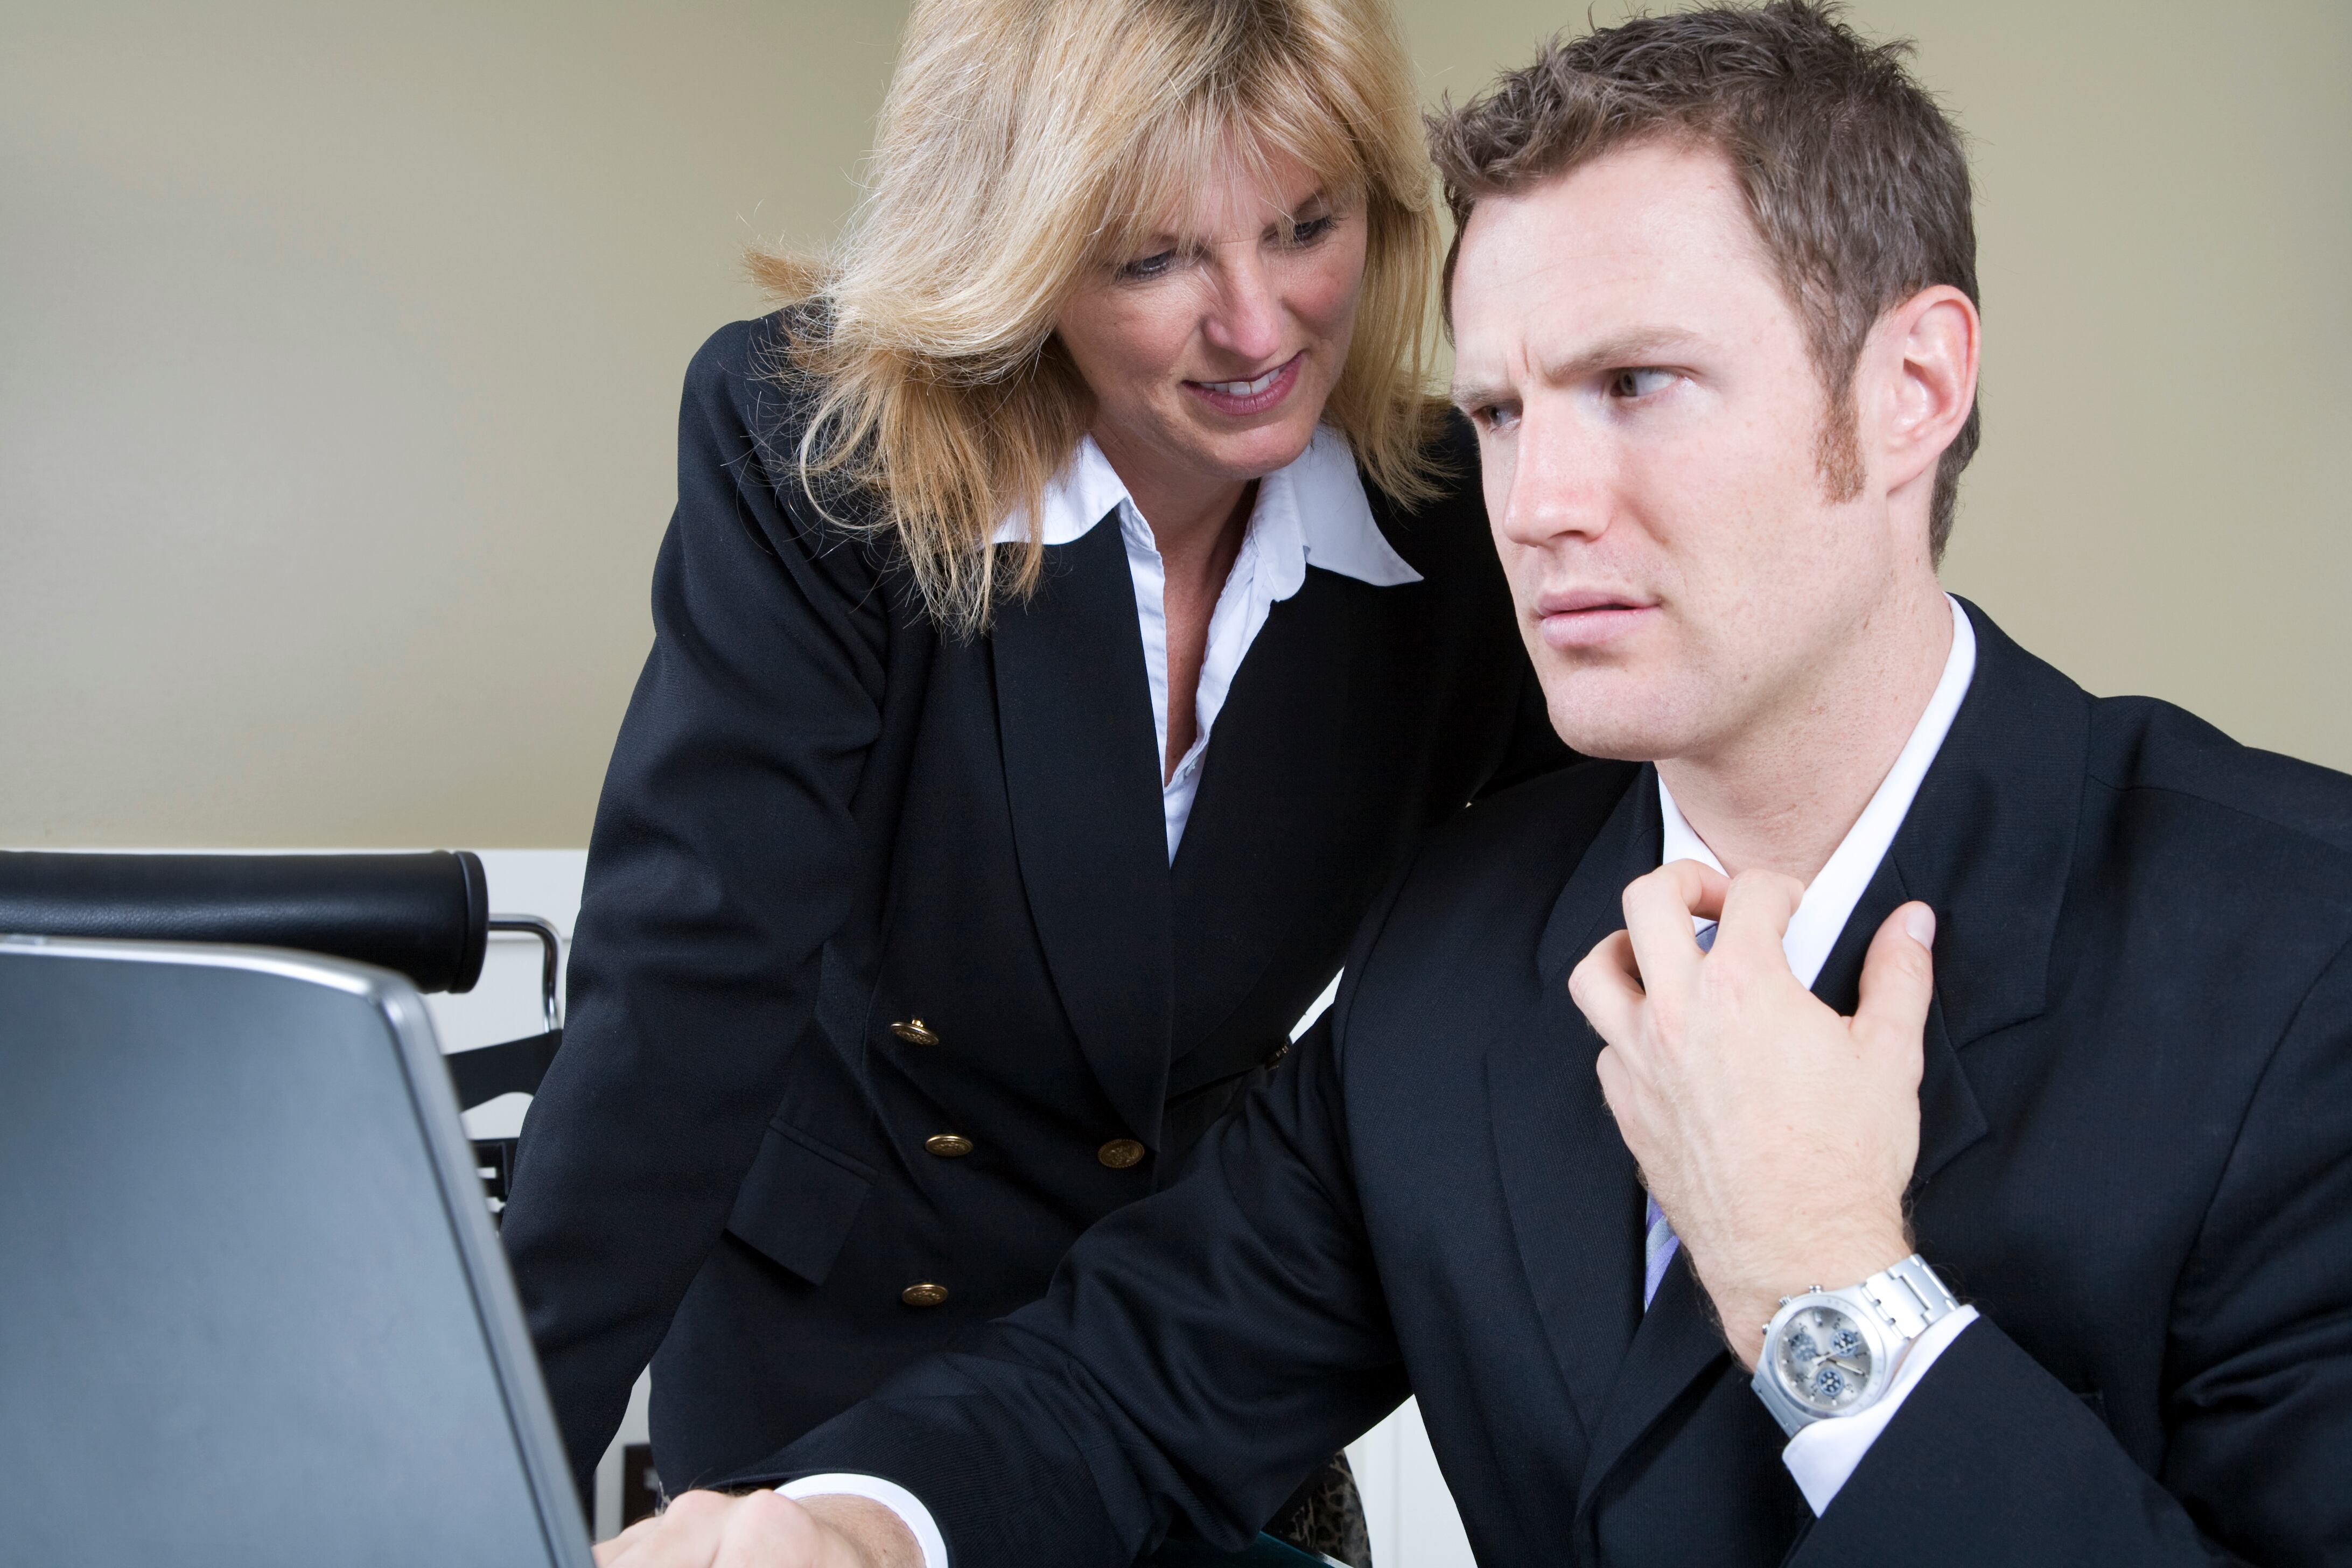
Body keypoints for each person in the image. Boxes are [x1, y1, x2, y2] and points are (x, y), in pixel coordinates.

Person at [586, 4, 2352, 1566]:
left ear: (1910, 388)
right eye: (1502, 412)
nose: (1538, 504)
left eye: (1637, 384)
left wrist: (1831, 1290)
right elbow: (1123, 1380)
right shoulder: (1457, 944)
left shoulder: (2303, 961)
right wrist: (849, 1529)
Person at [498, 0, 1567, 1557]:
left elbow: (1525, 990)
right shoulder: (826, 463)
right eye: (1154, 261)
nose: (1260, 326)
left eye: (1305, 226)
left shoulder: (1466, 531)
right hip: (836, 1335)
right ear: (1015, 254)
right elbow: (688, 993)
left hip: (1172, 1347)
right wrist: (484, 1482)